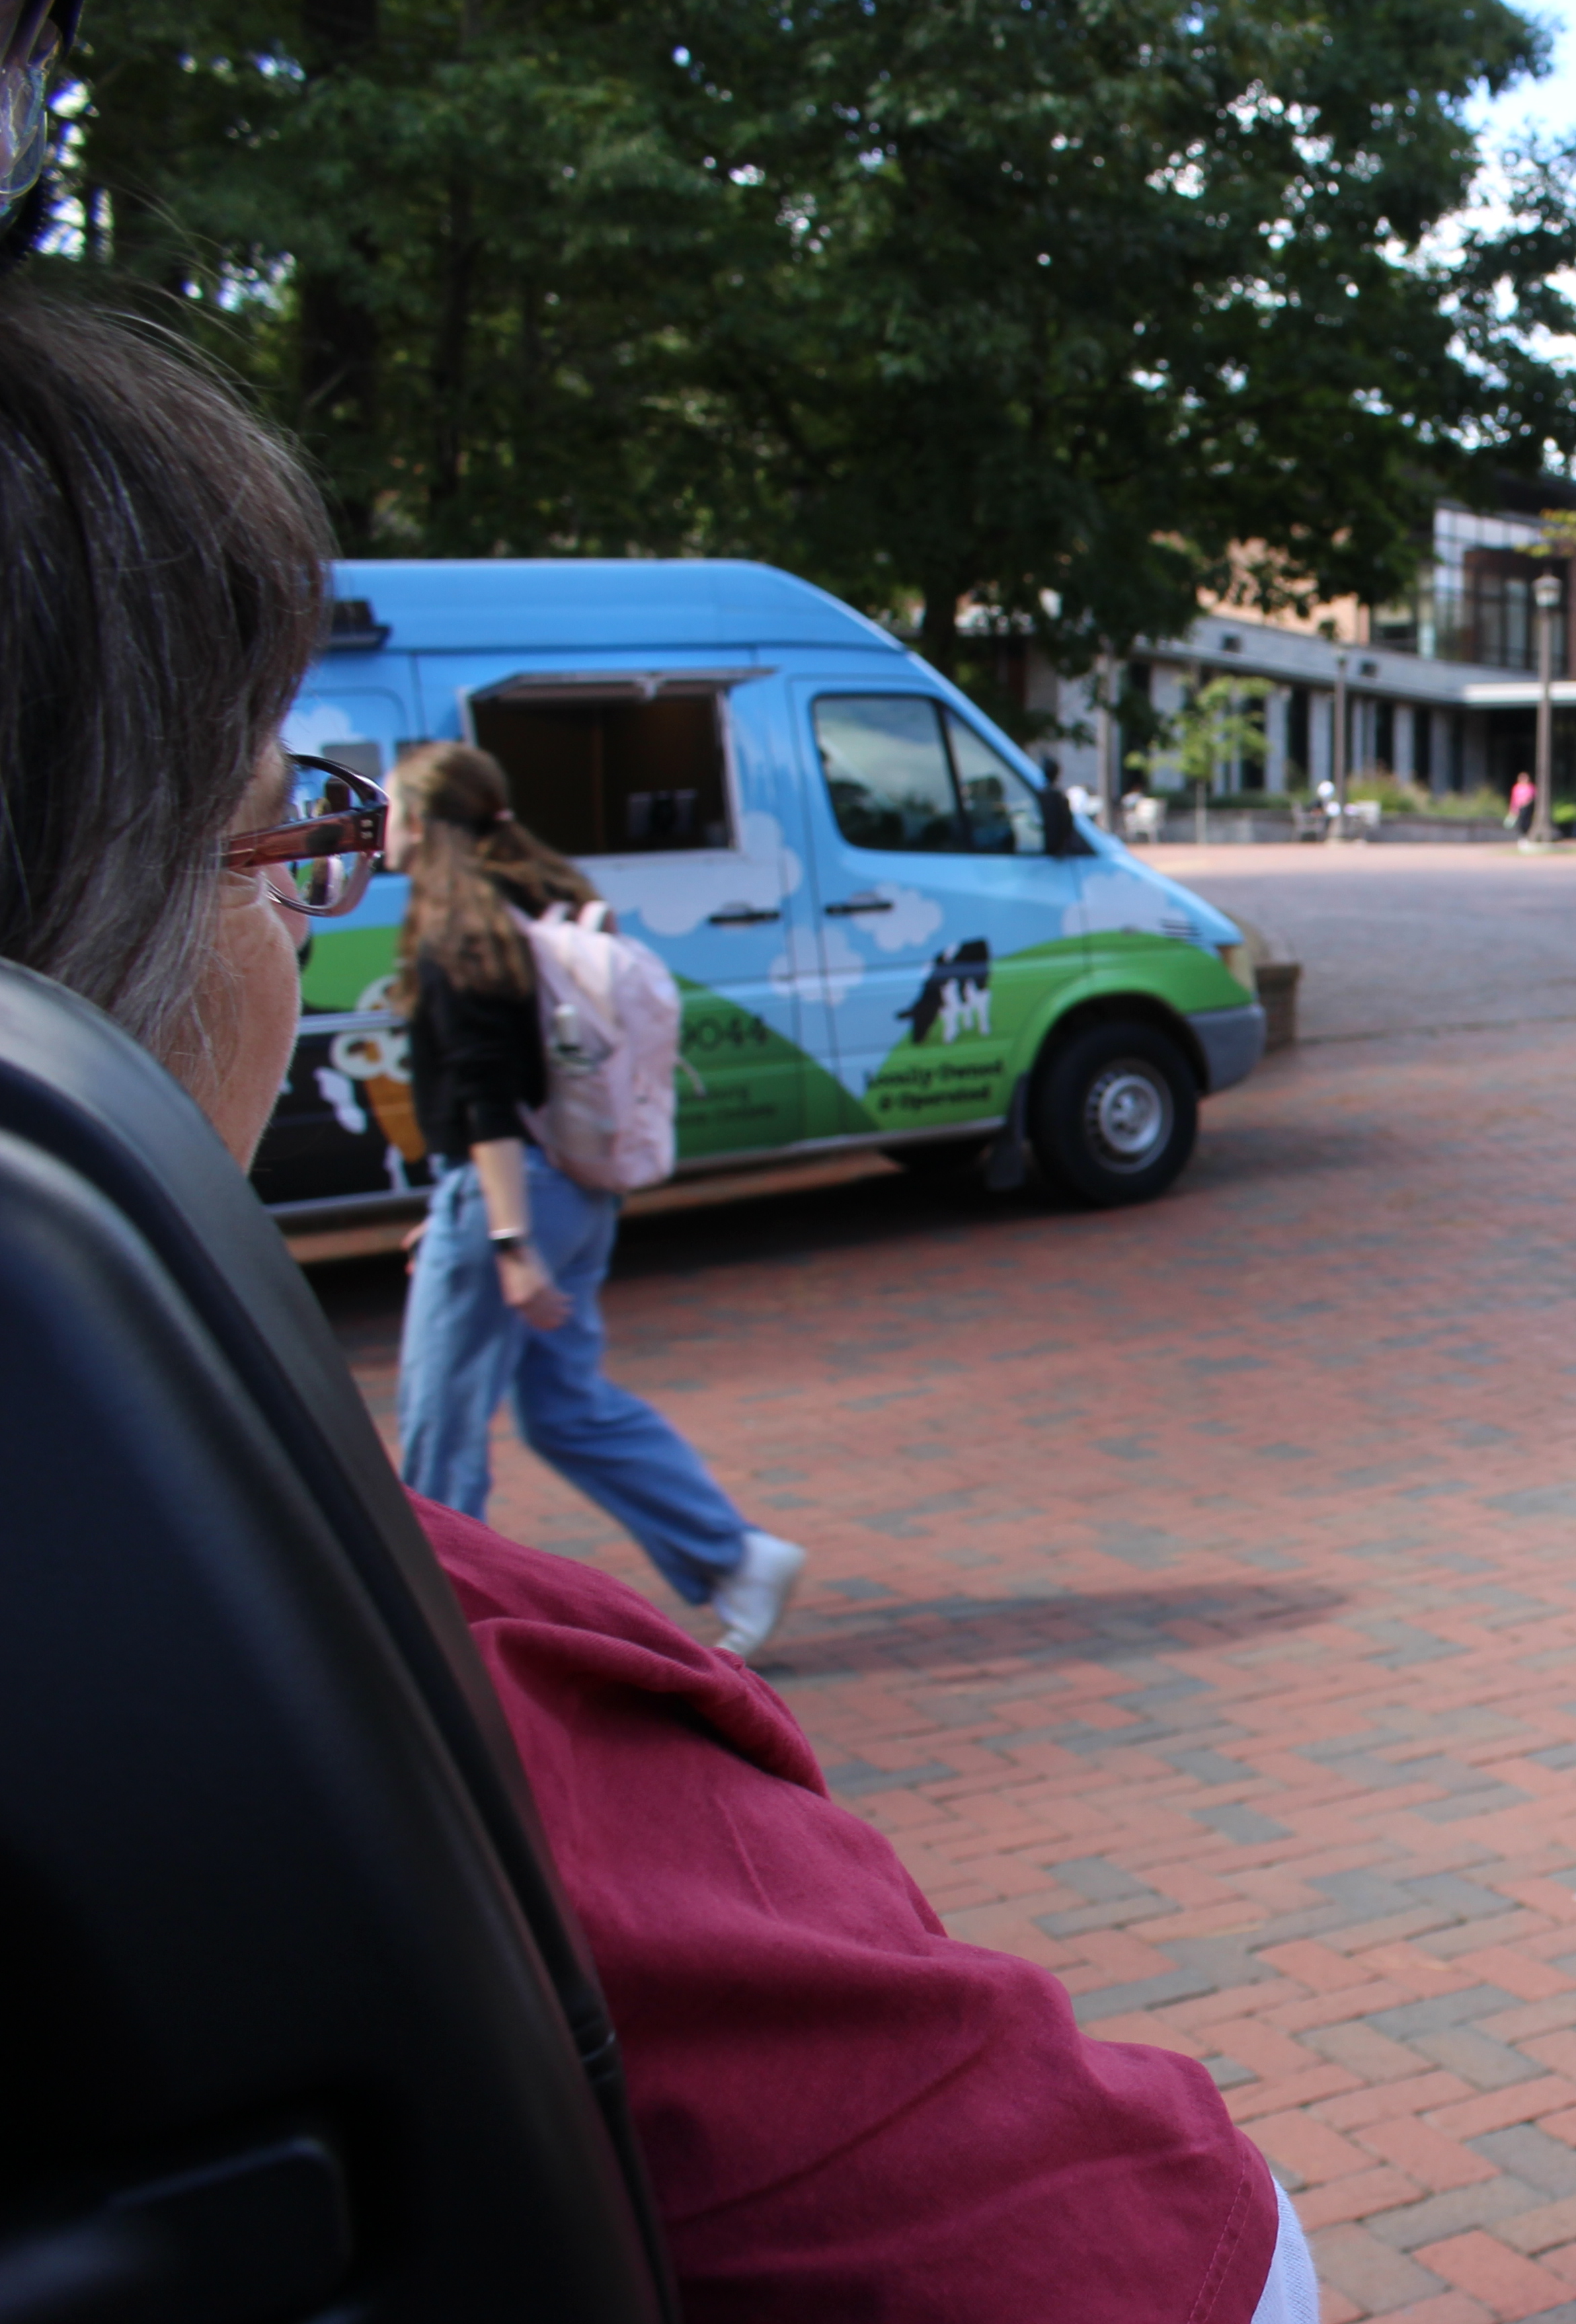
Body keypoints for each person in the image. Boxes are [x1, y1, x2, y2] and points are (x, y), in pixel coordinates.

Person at [0, 290, 1318, 2323]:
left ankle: (712, 1537)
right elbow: (1171, 2250)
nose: (314, 892)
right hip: (498, 1230)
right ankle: (712, 1543)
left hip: (503, 1220)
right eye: (279, 833)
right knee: (483, 1436)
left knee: (504, 1420)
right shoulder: (428, 1702)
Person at [387, 740, 812, 1658]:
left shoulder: (459, 930)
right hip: (578, 1191)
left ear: (421, 825)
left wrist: (501, 1236)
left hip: (515, 1203)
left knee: (441, 1437)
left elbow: (485, 1096)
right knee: (568, 1409)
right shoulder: (548, 904)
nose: (383, 829)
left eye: (389, 810)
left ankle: (441, 1638)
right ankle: (736, 1559)